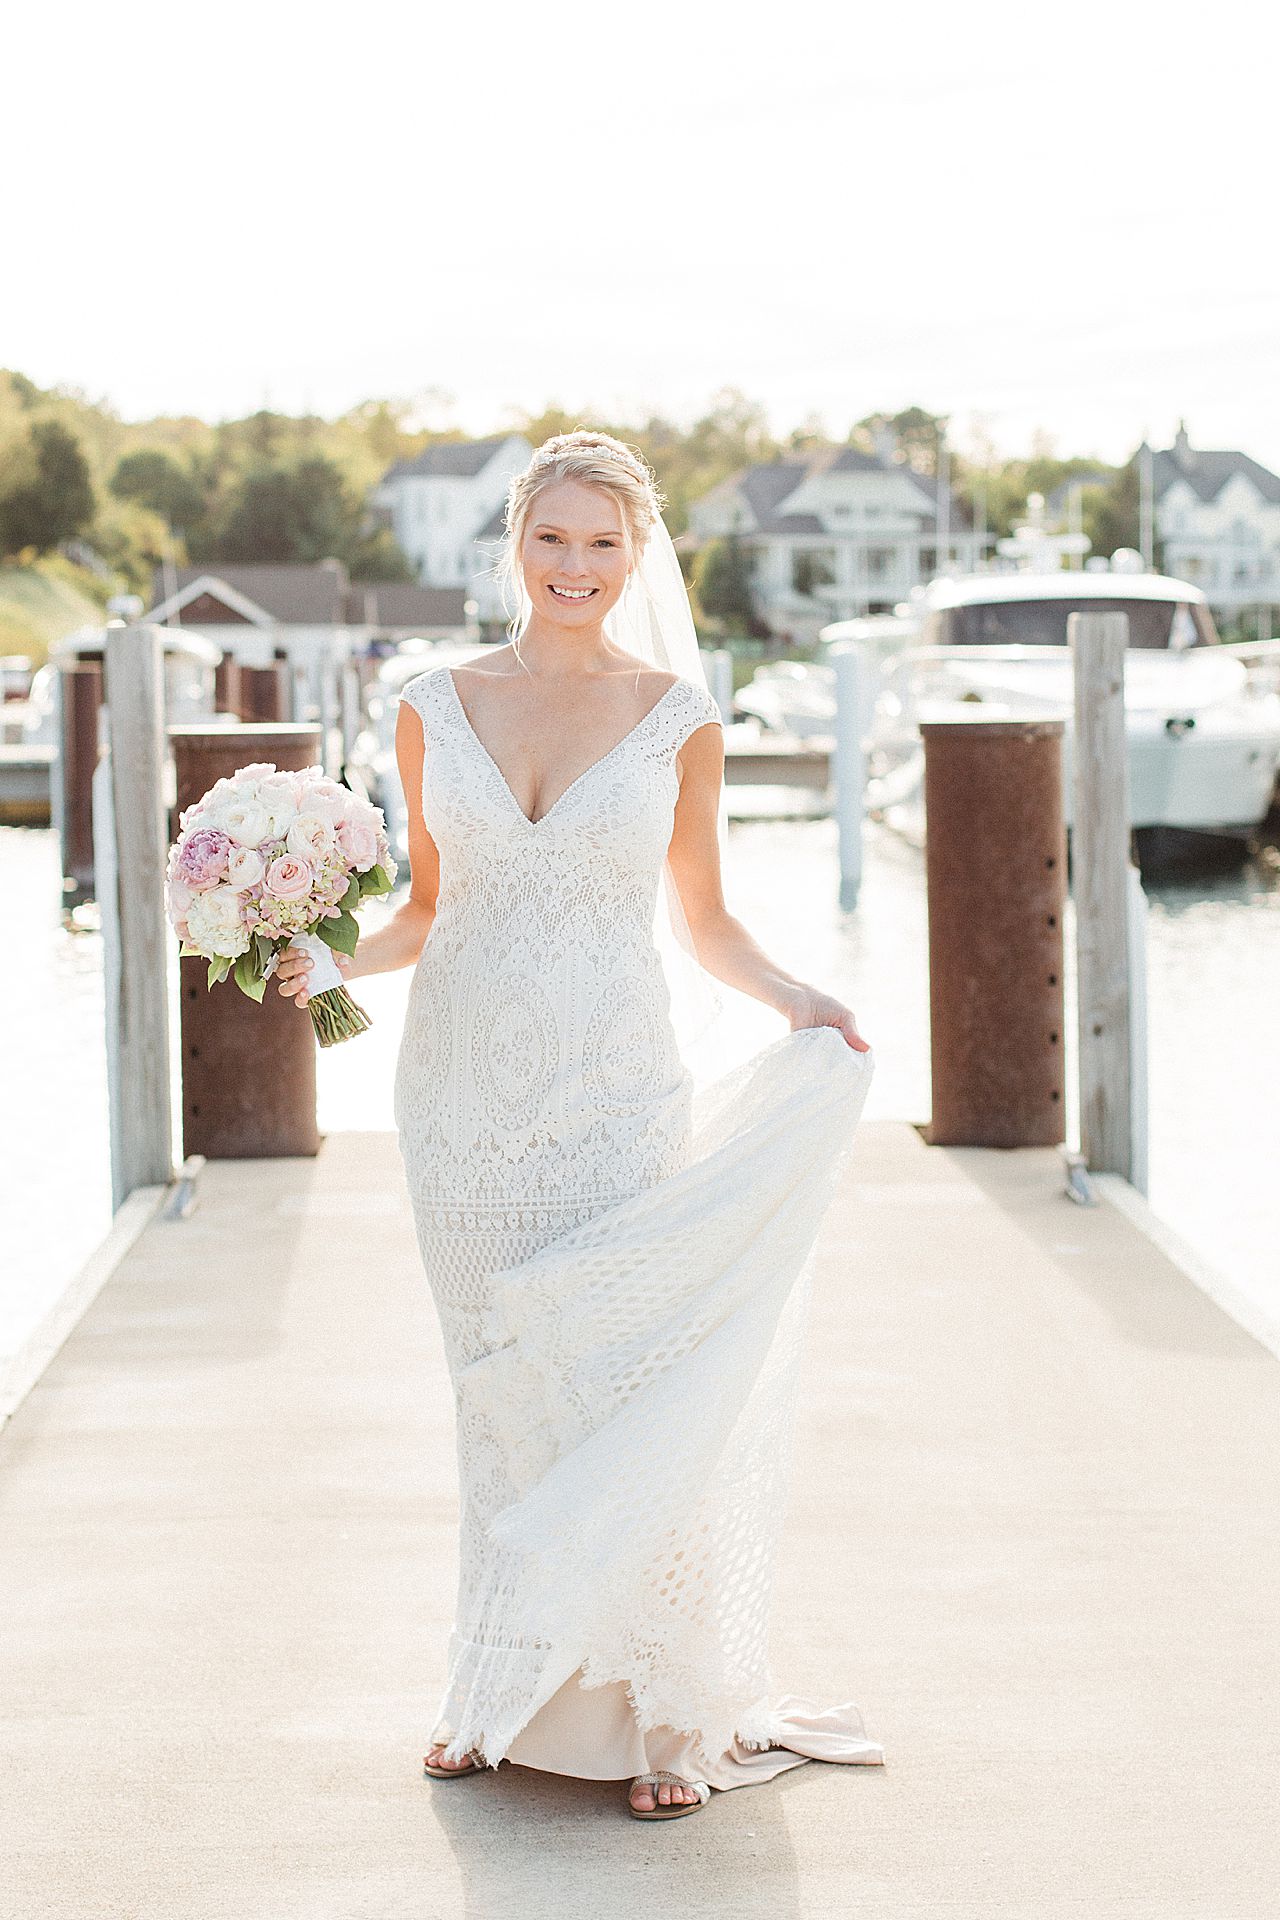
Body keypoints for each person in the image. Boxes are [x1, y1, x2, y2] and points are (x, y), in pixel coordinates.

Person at [275, 429, 884, 1821]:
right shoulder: (431, 702)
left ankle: (660, 1718)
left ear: (638, 555)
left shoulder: (678, 712)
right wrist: (323, 958)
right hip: (461, 1099)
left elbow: (706, 921)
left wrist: (801, 999)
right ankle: (490, 1692)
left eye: (603, 544)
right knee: (493, 1390)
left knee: (617, 1379)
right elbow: (427, 911)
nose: (576, 566)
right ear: (515, 543)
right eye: (553, 538)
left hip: (614, 1092)